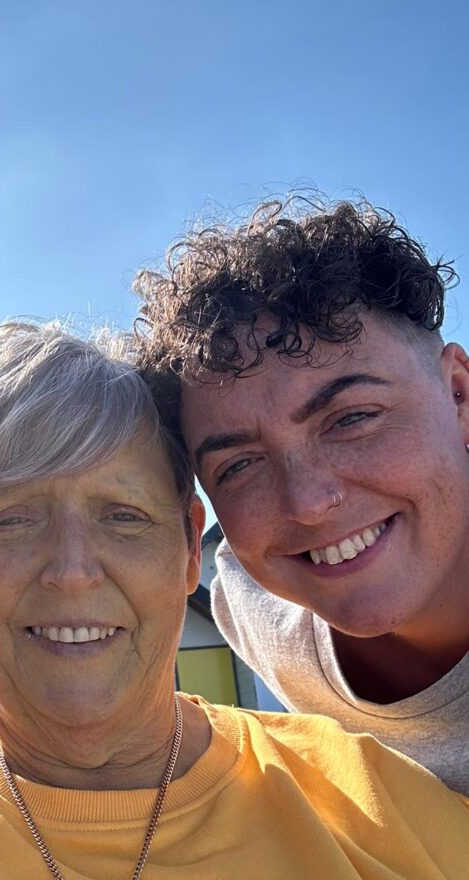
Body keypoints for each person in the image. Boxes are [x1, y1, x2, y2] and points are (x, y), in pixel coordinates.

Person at [0, 322, 467, 880]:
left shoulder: (377, 804)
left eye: (123, 516)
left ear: (188, 548)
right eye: (11, 519)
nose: (72, 572)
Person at [135, 195, 469, 794]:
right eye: (239, 466)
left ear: (460, 396)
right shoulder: (250, 604)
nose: (309, 502)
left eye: (352, 418)